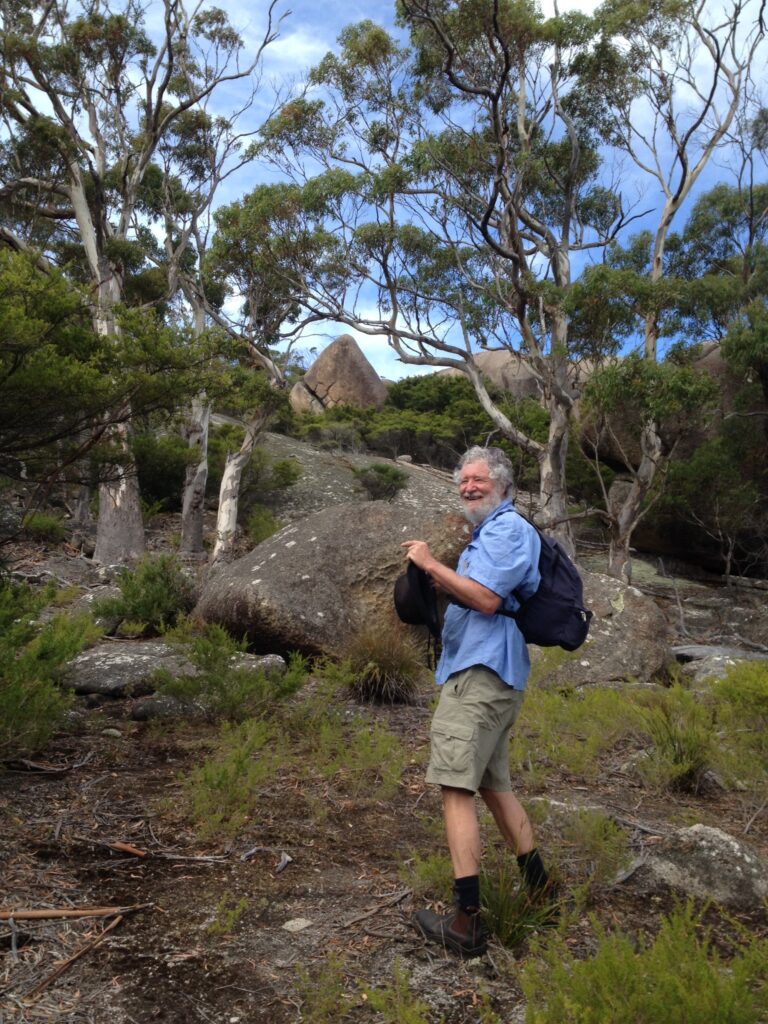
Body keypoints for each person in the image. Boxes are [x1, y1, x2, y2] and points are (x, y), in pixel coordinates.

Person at [402, 445, 554, 959]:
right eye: (463, 481)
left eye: (478, 480)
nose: (468, 487)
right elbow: (480, 595)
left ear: (503, 485)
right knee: (494, 787)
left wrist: (429, 563)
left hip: (482, 677)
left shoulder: (510, 530)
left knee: (454, 787)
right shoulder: (487, 534)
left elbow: (487, 599)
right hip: (486, 672)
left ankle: (467, 921)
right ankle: (543, 890)